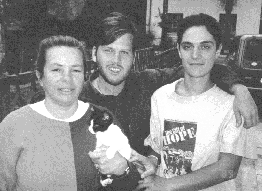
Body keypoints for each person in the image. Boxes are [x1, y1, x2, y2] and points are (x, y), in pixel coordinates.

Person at [83, 11, 259, 186]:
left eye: (125, 52)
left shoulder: (149, 84)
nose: (116, 60)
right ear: (93, 53)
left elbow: (198, 70)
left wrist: (239, 88)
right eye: (108, 50)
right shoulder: (78, 100)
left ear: (133, 56)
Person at [0, 35, 139, 191]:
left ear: (84, 75)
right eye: (56, 69)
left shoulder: (102, 119)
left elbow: (131, 184)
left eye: (76, 70)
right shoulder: (14, 125)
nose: (67, 78)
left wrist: (123, 169)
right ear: (40, 76)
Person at [137, 13, 258, 191]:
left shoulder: (232, 104)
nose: (195, 55)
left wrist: (167, 184)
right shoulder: (160, 97)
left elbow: (228, 169)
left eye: (205, 47)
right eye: (187, 46)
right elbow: (158, 147)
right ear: (178, 50)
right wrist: (152, 161)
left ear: (218, 50)